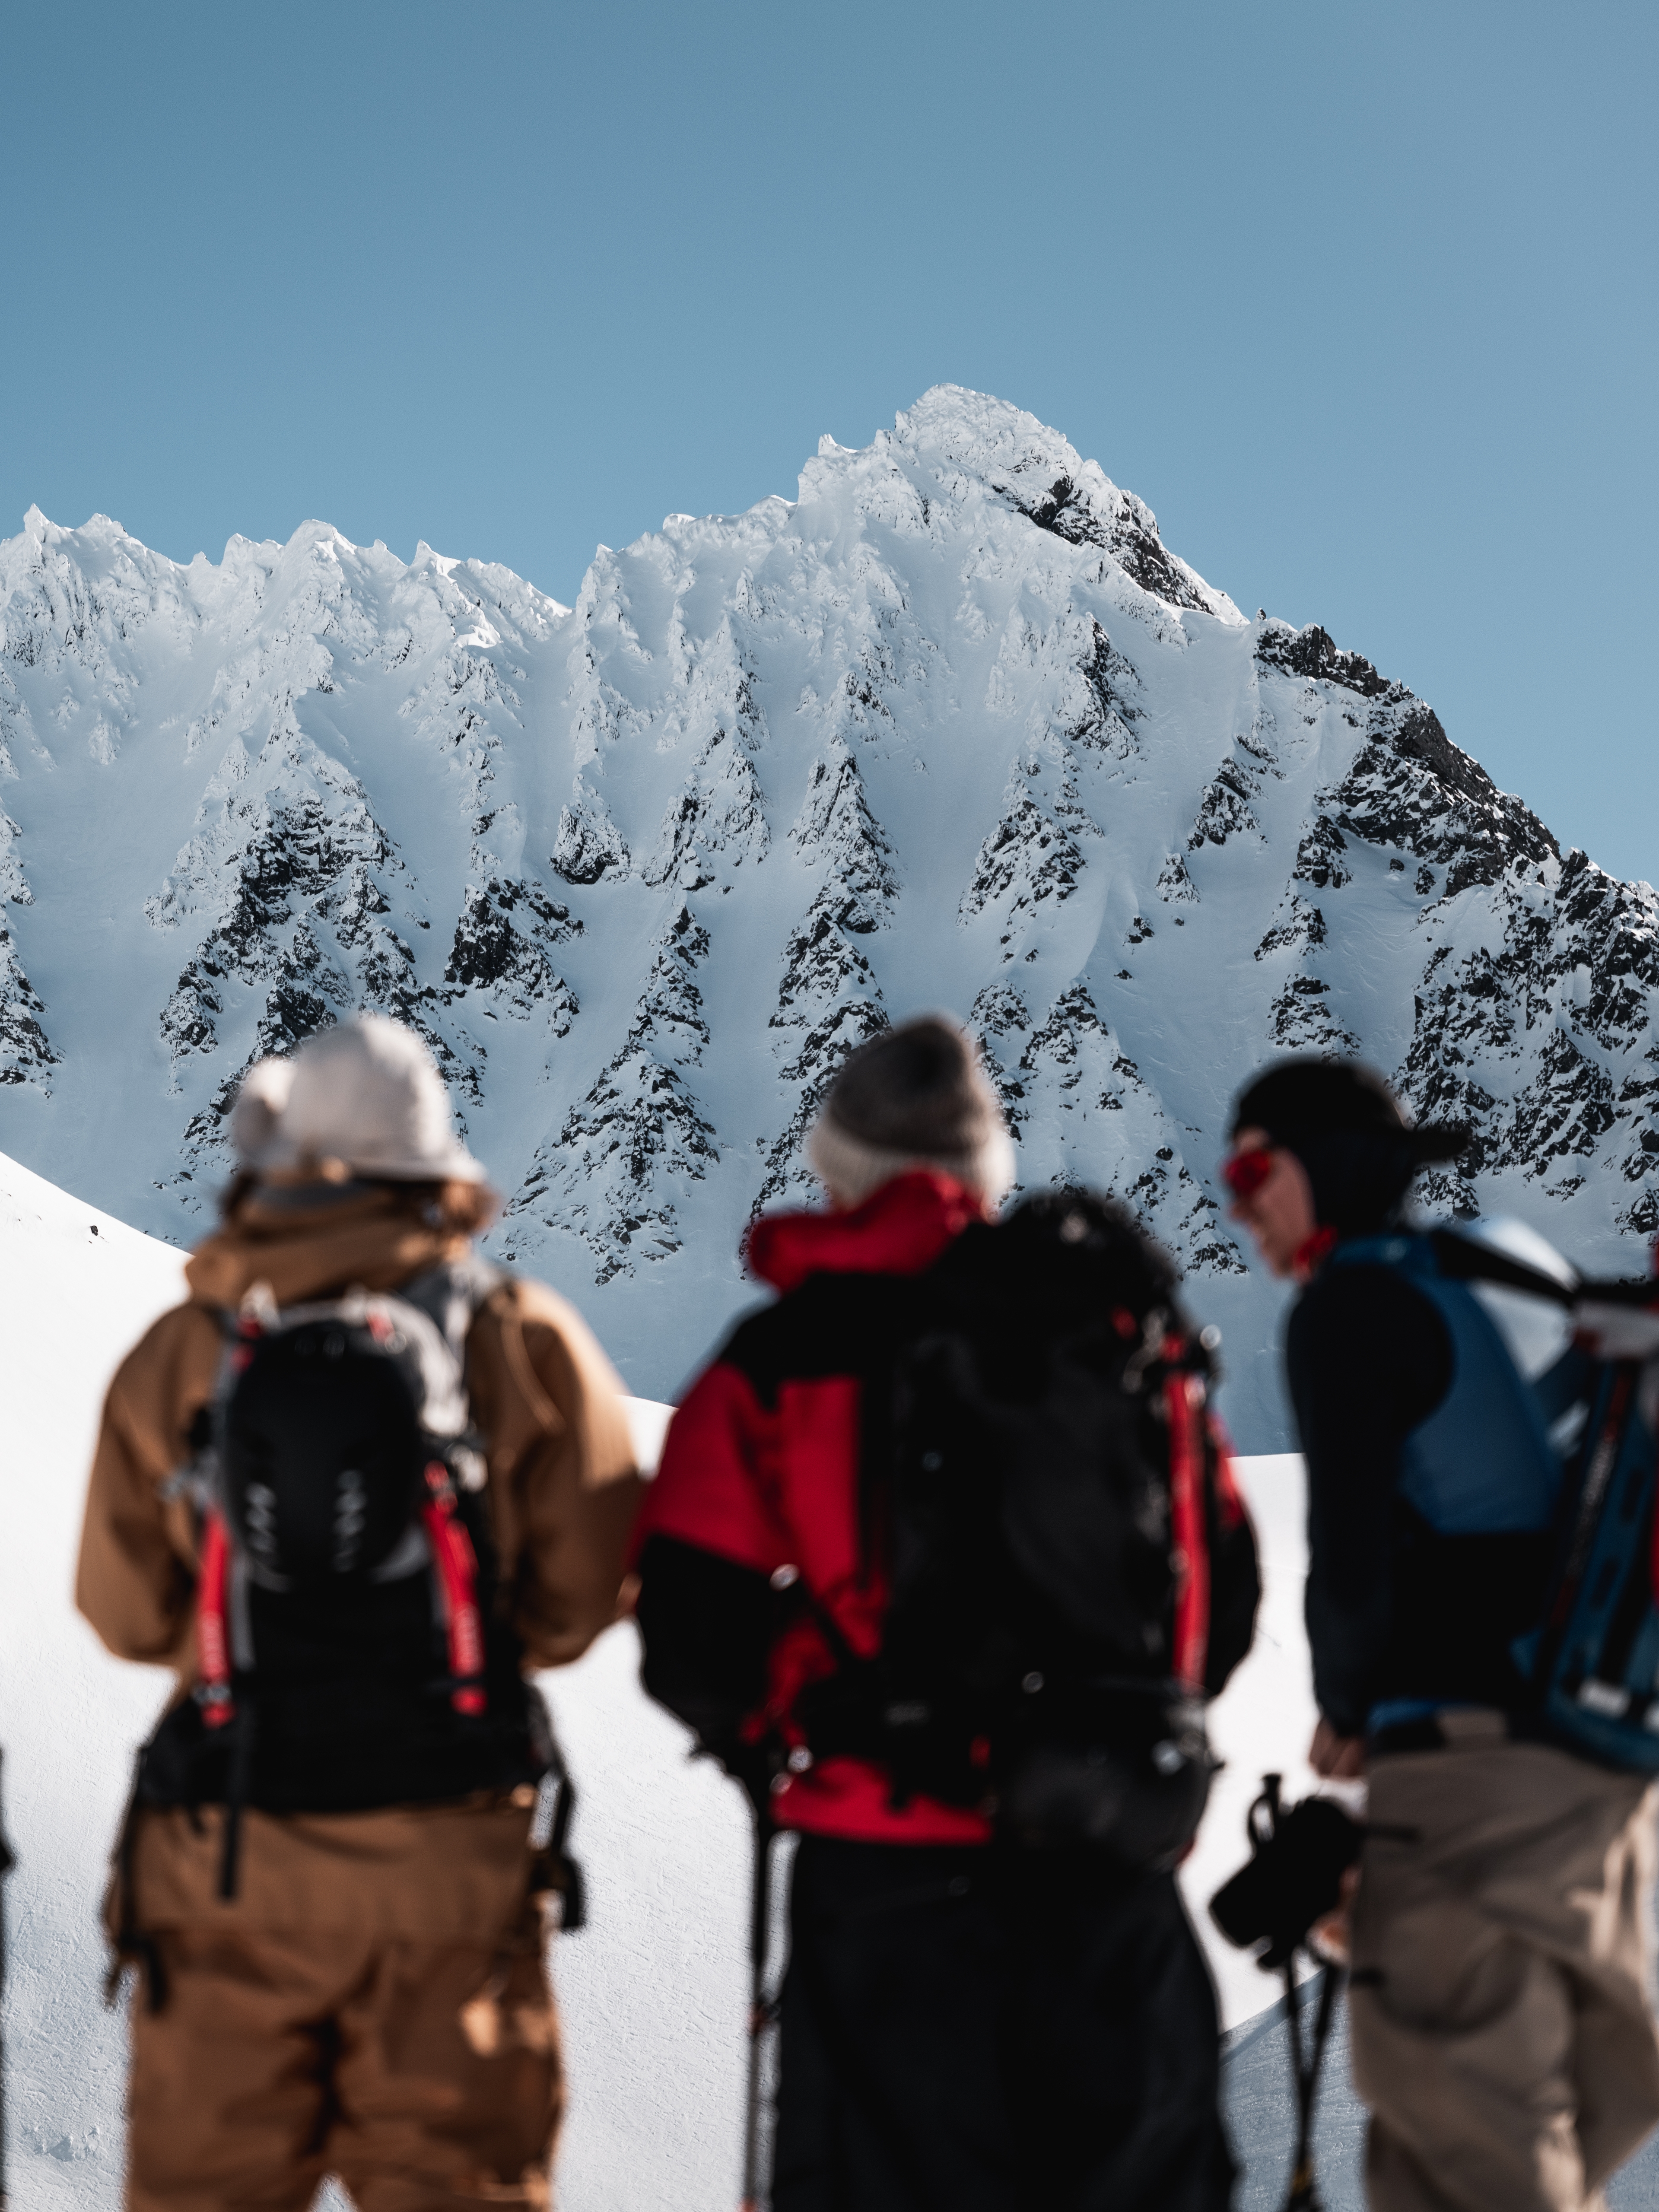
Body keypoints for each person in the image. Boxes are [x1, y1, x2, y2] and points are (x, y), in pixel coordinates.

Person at [632, 1013, 1256, 2212]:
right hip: (1113, 1880)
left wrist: (801, 1723)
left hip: (889, 1896)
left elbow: (691, 1633)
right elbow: (1221, 1601)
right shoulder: (1118, 1332)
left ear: (839, 1169)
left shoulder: (790, 1352)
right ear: (986, 1172)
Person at [77, 1014, 641, 2212]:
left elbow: (121, 1611)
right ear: (434, 1168)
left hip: (227, 1860)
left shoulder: (188, 1350)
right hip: (450, 1868)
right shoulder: (518, 1336)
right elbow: (588, 1595)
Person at [1224, 1053, 1659, 2212]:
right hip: (1604, 1763)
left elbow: (1352, 1556)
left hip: (1472, 1766)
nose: (1240, 1208)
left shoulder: (1349, 1309)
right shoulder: (1507, 1266)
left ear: (1320, 1167)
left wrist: (1348, 1710)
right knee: (1520, 2136)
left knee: (1472, 2141)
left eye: (1253, 1173)